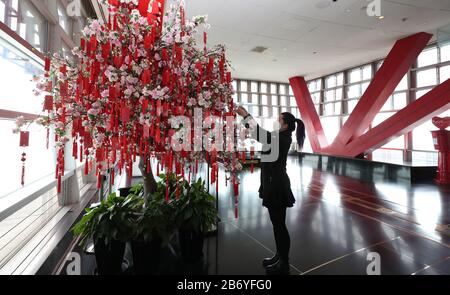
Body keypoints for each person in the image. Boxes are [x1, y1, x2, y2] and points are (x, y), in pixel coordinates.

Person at [236, 106, 305, 275]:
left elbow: (260, 134)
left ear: (286, 125)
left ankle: (284, 262)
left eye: (279, 119)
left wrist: (246, 116)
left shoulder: (282, 138)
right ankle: (279, 255)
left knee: (279, 225)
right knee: (276, 224)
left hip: (277, 186)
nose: (276, 121)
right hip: (271, 183)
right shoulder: (280, 136)